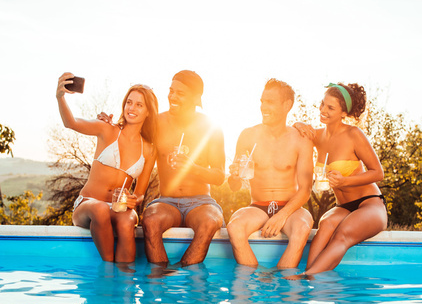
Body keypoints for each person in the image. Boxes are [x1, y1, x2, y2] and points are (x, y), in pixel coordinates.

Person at [56, 73, 158, 263]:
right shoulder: (107, 129)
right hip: (88, 204)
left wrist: (133, 200)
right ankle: (109, 271)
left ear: (148, 111)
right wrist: (60, 97)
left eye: (139, 104)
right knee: (101, 209)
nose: (131, 108)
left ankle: (125, 283)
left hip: (118, 208)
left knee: (129, 220)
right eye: (129, 102)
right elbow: (71, 123)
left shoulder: (149, 149)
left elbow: (141, 193)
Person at [296, 82, 387, 275]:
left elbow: (378, 172)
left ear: (343, 113)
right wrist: (298, 125)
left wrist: (345, 181)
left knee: (342, 234)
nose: (323, 110)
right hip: (342, 207)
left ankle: (306, 277)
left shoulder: (354, 135)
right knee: (325, 224)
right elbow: (295, 135)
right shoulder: (317, 136)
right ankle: (309, 275)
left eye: (330, 108)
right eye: (322, 104)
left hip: (369, 204)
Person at [227, 79, 313, 268]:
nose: (263, 107)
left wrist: (282, 215)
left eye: (270, 102)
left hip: (290, 209)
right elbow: (234, 186)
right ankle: (254, 282)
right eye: (262, 101)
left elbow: (306, 189)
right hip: (258, 206)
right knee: (234, 227)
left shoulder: (301, 140)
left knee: (303, 227)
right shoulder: (248, 136)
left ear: (287, 105)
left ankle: (282, 283)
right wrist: (233, 177)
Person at [142, 70, 225, 267]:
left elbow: (220, 176)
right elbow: (127, 131)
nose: (172, 97)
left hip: (200, 202)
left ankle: (182, 274)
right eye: (171, 91)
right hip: (166, 201)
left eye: (180, 93)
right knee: (150, 220)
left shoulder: (210, 128)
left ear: (196, 98)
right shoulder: (157, 123)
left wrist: (193, 167)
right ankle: (160, 280)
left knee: (210, 222)